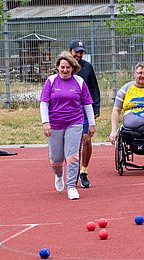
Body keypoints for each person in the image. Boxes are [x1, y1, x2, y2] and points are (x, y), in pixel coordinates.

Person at [39, 51, 95, 200]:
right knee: (56, 159)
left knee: (72, 157)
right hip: (55, 123)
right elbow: (44, 103)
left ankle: (71, 186)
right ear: (57, 67)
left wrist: (92, 124)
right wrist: (46, 123)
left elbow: (87, 104)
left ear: (73, 68)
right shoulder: (51, 81)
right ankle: (58, 175)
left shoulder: (79, 82)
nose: (65, 70)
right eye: (62, 67)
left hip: (75, 122)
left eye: (68, 67)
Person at [68, 40, 101, 188]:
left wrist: (95, 109)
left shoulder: (87, 68)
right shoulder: (63, 67)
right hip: (68, 110)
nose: (79, 55)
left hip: (85, 109)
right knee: (71, 144)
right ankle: (71, 171)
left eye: (81, 52)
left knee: (86, 140)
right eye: (76, 52)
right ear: (70, 51)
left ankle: (83, 171)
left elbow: (94, 88)